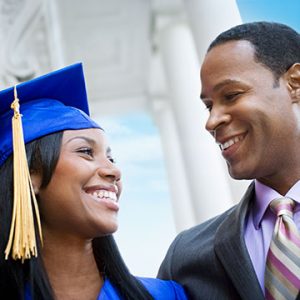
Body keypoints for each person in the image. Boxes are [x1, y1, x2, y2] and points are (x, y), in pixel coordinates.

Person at [0, 63, 188, 300]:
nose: (113, 170)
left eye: (111, 157)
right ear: (29, 175)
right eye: (86, 151)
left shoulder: (166, 296)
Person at [158, 21, 300, 299]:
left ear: (294, 84)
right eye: (209, 106)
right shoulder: (185, 259)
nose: (211, 121)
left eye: (231, 95)